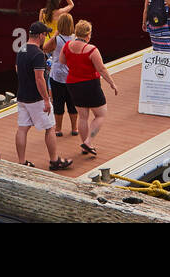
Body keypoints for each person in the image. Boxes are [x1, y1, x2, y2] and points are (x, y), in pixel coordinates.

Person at [15, 23, 72, 170]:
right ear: (40, 35)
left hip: (22, 96)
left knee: (22, 129)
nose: (45, 38)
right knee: (50, 128)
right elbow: (39, 78)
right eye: (45, 35)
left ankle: (21, 162)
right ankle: (54, 160)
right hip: (36, 98)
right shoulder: (38, 54)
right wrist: (46, 100)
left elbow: (17, 69)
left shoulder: (21, 49)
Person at [61, 20, 119, 157]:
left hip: (73, 83)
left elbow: (62, 61)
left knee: (83, 116)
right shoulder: (92, 50)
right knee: (101, 114)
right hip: (90, 84)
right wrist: (112, 83)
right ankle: (88, 142)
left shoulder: (67, 46)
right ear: (88, 35)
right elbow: (102, 69)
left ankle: (85, 145)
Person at [43, 12, 78, 137]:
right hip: (72, 75)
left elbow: (45, 48)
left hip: (57, 75)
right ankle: (74, 128)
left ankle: (58, 129)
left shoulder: (57, 39)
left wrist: (56, 34)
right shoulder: (75, 38)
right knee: (72, 103)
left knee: (58, 102)